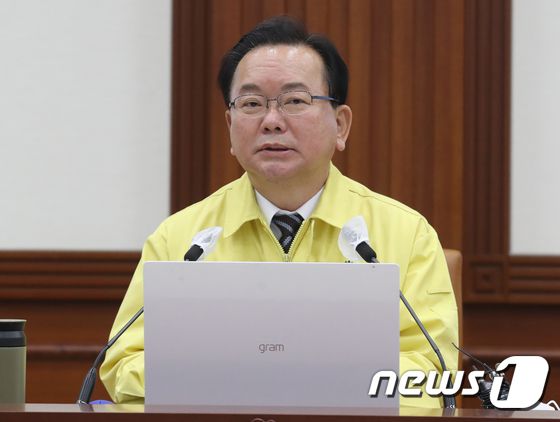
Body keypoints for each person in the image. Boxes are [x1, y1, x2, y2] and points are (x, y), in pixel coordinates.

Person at [100, 16, 458, 408]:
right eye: (252, 104)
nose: (271, 121)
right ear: (230, 126)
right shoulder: (183, 240)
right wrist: (246, 378)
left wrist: (296, 382)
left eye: (295, 101)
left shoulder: (406, 235)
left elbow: (431, 376)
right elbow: (123, 365)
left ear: (340, 125)